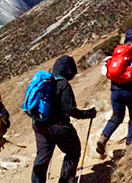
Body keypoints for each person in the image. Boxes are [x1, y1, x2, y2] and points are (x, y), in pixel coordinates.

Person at [31, 55, 97, 183]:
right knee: (73, 152)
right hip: (58, 126)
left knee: (42, 158)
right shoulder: (63, 84)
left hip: (39, 125)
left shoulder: (45, 82)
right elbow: (70, 110)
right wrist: (88, 114)